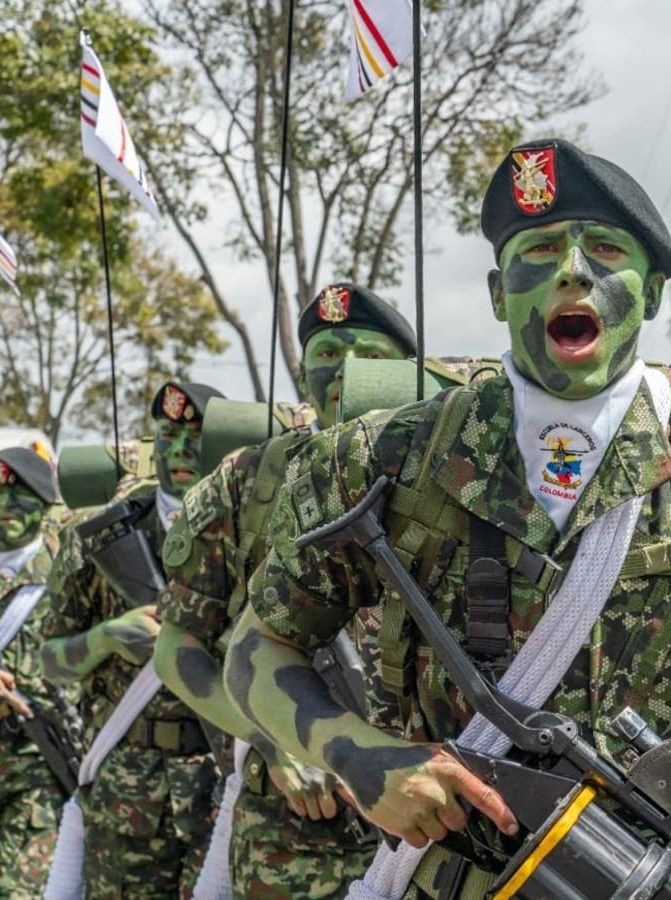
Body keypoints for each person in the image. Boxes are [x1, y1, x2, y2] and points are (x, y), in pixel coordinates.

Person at [224, 137, 671, 900]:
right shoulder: (381, 460)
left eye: (606, 250)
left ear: (650, 294)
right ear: (497, 293)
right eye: (540, 249)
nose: (573, 270)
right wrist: (356, 756)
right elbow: (257, 651)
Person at [153, 284, 416, 898]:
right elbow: (177, 649)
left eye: (368, 354)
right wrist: (273, 738)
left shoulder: (457, 467)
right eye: (326, 352)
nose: (345, 371)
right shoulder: (248, 481)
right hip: (294, 831)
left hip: (434, 818)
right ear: (302, 371)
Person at [41, 381, 224, 898]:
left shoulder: (246, 528)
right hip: (127, 786)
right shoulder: (104, 536)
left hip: (222, 780)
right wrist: (104, 638)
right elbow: (49, 661)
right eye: (168, 434)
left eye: (197, 435)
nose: (182, 449)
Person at [0, 448, 68, 898]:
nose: (5, 509)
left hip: (36, 769)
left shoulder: (67, 567)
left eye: (19, 499)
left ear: (45, 504)